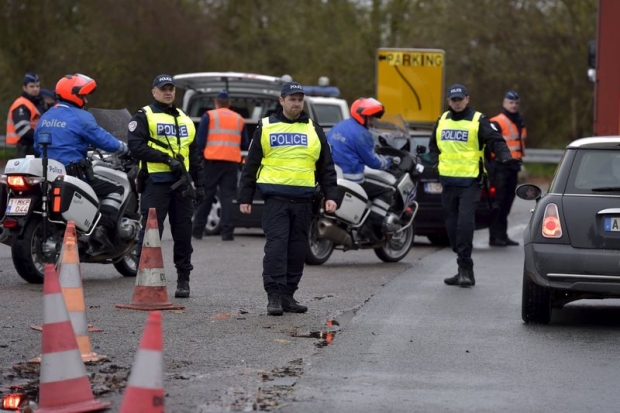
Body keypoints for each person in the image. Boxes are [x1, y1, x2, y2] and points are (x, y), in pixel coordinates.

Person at [238, 81, 338, 316]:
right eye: (292, 99)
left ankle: (288, 296)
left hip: (304, 201)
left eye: (299, 99)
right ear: (281, 101)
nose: (296, 103)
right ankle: (274, 296)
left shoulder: (313, 128)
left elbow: (326, 166)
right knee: (276, 248)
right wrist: (245, 196)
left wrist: (331, 195)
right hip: (276, 200)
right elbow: (251, 165)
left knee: (296, 250)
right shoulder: (266, 127)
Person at [429, 83, 520, 288]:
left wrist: (505, 157)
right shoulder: (442, 120)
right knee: (452, 228)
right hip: (448, 182)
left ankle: (464, 269)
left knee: (464, 224)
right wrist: (435, 164)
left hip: (470, 182)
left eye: (460, 99)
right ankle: (463, 263)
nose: (457, 103)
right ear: (448, 101)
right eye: (454, 100)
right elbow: (433, 146)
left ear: (467, 99)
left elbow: (496, 140)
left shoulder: (478, 120)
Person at [127, 74, 206, 298]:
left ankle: (183, 279)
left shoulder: (185, 118)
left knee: (183, 234)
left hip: (182, 185)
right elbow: (136, 147)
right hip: (156, 183)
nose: (168, 92)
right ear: (154, 92)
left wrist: (200, 185)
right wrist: (165, 159)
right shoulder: (144, 115)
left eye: (171, 88)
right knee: (152, 233)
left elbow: (194, 154)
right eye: (163, 89)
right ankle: (145, 278)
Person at [33, 73, 129, 254]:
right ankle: (104, 232)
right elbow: (105, 140)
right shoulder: (81, 117)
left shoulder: (46, 116)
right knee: (116, 189)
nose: (85, 100)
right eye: (83, 95)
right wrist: (126, 148)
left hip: (48, 173)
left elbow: (36, 144)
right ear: (74, 95)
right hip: (74, 174)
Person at [327, 97, 396, 242]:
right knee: (387, 190)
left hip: (332, 175)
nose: (371, 122)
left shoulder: (340, 126)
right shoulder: (362, 134)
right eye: (370, 118)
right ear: (362, 116)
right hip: (351, 179)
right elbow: (374, 162)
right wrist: (390, 161)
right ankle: (370, 227)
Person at [192, 89, 248, 241]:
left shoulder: (209, 116)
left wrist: (199, 159)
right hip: (231, 162)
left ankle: (197, 230)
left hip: (212, 161)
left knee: (207, 196)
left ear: (216, 103)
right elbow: (244, 143)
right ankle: (227, 233)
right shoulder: (239, 119)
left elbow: (200, 141)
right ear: (229, 103)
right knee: (227, 197)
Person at [488, 90, 526, 247]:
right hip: (499, 168)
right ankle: (495, 236)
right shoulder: (497, 121)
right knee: (499, 203)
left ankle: (502, 235)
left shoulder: (518, 120)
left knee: (508, 202)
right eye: (511, 102)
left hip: (513, 167)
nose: (514, 105)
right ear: (504, 104)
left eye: (516, 103)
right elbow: (489, 144)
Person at [6, 72, 42, 157]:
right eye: (32, 86)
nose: (35, 89)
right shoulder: (21, 104)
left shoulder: (34, 103)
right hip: (25, 148)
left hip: (32, 147)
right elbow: (23, 130)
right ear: (24, 88)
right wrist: (43, 137)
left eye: (37, 86)